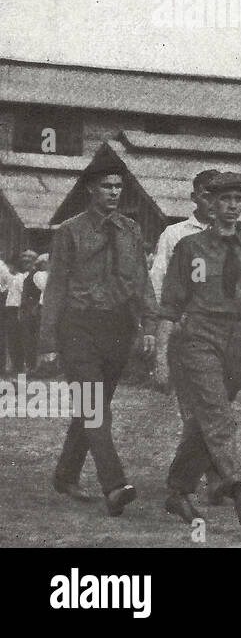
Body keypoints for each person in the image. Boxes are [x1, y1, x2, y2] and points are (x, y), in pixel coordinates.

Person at [158, 171, 241, 530]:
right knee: (219, 416)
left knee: (206, 420)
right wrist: (159, 356)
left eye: (237, 200)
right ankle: (238, 490)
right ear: (210, 205)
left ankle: (179, 490)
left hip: (240, 341)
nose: (231, 206)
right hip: (199, 336)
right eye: (224, 200)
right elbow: (169, 305)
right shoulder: (189, 248)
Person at [38, 162, 158, 517]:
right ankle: (115, 485)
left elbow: (141, 279)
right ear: (90, 189)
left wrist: (149, 325)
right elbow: (56, 285)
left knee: (93, 407)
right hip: (78, 326)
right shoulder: (69, 231)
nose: (114, 193)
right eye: (106, 186)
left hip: (118, 328)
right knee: (94, 407)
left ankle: (65, 475)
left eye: (118, 187)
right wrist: (47, 341)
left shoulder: (131, 229)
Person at [149, 168, 224, 502]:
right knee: (194, 411)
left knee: (219, 408)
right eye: (207, 194)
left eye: (219, 195)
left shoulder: (232, 233)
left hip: (224, 336)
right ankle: (209, 478)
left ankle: (206, 475)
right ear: (195, 197)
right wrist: (159, 327)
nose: (213, 201)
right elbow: (157, 282)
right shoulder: (174, 235)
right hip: (185, 333)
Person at [3, 251, 34, 373]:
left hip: (18, 308)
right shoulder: (13, 278)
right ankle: (16, 364)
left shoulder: (23, 277)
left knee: (20, 336)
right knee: (12, 337)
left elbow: (24, 294)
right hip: (10, 308)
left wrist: (22, 310)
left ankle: (22, 364)